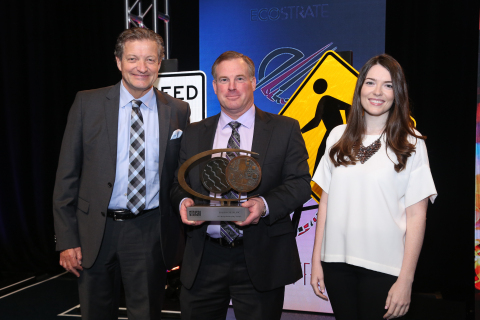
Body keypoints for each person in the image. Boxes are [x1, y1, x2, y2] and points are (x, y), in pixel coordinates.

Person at [52, 27, 190, 320]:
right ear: (118, 62)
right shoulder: (87, 104)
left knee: (147, 313)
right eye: (133, 59)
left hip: (149, 231)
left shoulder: (178, 110)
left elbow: (179, 174)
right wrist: (66, 238)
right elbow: (66, 176)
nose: (142, 67)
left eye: (150, 59)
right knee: (96, 313)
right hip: (95, 232)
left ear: (160, 62)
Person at [170, 51, 311, 320]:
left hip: (260, 257)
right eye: (224, 79)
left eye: (239, 78)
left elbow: (300, 184)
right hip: (204, 258)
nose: (231, 87)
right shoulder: (194, 132)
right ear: (214, 86)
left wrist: (263, 205)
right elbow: (179, 184)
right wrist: (183, 202)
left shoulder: (285, 129)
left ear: (254, 82)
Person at [310, 54, 437, 320]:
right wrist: (317, 261)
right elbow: (326, 203)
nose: (377, 92)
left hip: (384, 268)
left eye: (388, 85)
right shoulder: (337, 135)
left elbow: (417, 216)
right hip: (336, 265)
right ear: (360, 89)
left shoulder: (411, 143)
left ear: (397, 93)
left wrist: (406, 280)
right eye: (370, 83)